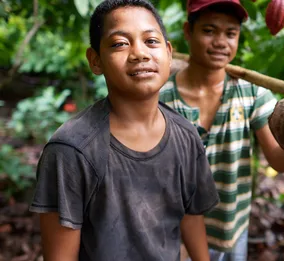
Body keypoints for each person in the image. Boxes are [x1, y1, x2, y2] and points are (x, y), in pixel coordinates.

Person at [29, 1, 219, 260]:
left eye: (151, 41)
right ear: (95, 61)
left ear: (169, 53)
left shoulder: (186, 136)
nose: (139, 53)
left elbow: (190, 217)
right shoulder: (71, 151)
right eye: (119, 43)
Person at [159, 0, 284, 259]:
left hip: (230, 234)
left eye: (231, 33)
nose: (221, 42)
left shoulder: (252, 95)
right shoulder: (160, 99)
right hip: (171, 236)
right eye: (209, 31)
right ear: (188, 32)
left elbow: (278, 160)